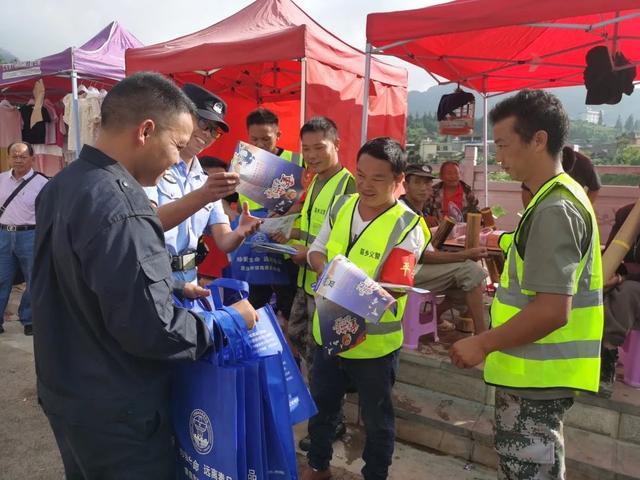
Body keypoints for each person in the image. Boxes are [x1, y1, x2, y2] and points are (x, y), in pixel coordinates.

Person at [31, 72, 258, 479]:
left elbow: (84, 275)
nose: (177, 158)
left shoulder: (63, 184)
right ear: (146, 130)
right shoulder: (124, 206)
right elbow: (155, 330)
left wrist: (172, 284)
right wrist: (228, 322)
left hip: (67, 389)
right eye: (176, 144)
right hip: (118, 407)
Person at [450, 90, 603, 480]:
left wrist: (481, 342)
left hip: (538, 380)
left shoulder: (555, 208)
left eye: (503, 144)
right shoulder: (553, 198)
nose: (499, 157)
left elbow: (552, 310)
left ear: (538, 140)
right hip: (534, 377)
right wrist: (499, 240)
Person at [303, 137, 429, 480]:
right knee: (323, 408)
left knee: (377, 420)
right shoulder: (343, 205)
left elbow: (394, 291)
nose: (365, 185)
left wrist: (339, 280)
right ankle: (318, 465)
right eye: (360, 175)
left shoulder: (409, 226)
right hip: (328, 333)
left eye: (378, 178)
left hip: (373, 346)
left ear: (398, 180)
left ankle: (375, 474)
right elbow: (317, 248)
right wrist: (321, 266)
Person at [275, 116, 355, 452]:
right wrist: (286, 234)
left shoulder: (348, 186)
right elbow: (313, 226)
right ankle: (325, 417)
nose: (312, 155)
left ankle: (328, 424)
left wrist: (307, 252)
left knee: (324, 361)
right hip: (307, 281)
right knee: (299, 341)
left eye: (319, 147)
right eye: (306, 149)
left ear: (336, 145)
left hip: (329, 287)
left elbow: (347, 238)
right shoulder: (316, 181)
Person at [146, 83, 261, 285]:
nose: (207, 134)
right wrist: (204, 195)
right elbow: (149, 225)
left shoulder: (205, 180)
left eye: (215, 131)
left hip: (189, 279)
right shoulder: (152, 166)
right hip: (155, 279)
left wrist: (240, 232)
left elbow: (224, 242)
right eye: (203, 123)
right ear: (180, 116)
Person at [399, 164, 488, 334]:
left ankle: (434, 316)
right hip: (406, 272)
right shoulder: (404, 212)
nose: (423, 188)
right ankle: (482, 335)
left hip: (417, 266)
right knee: (471, 270)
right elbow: (423, 256)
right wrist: (465, 255)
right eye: (417, 182)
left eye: (426, 183)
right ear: (405, 185)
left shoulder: (417, 209)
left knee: (474, 279)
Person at [240, 108, 303, 322]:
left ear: (278, 135)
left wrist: (286, 210)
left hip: (286, 247)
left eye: (266, 139)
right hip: (255, 247)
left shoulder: (298, 161)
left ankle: (288, 350)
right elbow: (235, 203)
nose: (259, 145)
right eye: (254, 139)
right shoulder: (243, 163)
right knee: (255, 303)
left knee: (289, 306)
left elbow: (310, 201)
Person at [0, 141, 48, 336]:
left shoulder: (42, 183)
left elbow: (48, 212)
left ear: (32, 158)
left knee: (33, 279)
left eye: (23, 156)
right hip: (3, 235)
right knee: (1, 279)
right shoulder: (1, 179)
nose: (18, 159)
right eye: (14, 155)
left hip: (30, 235)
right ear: (9, 158)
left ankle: (29, 318)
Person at [599, 197, 640, 397]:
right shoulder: (627, 214)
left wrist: (622, 278)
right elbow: (612, 253)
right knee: (594, 290)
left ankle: (608, 354)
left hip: (632, 285)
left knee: (626, 293)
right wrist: (608, 276)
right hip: (624, 280)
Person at [196, 156, 239, 286]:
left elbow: (226, 239)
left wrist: (242, 230)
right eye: (212, 179)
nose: (217, 186)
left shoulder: (220, 204)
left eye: (222, 180)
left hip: (211, 276)